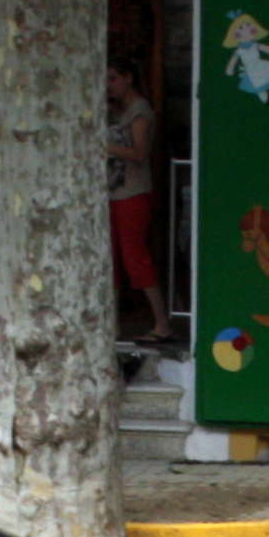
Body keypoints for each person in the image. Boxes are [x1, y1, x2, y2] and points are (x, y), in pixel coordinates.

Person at [103, 66, 161, 337]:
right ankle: (111, 324)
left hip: (134, 191)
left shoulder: (140, 110)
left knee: (134, 256)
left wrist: (105, 148)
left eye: (113, 78)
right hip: (113, 191)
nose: (109, 85)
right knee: (111, 258)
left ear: (129, 77)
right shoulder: (115, 111)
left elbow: (139, 152)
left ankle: (162, 321)